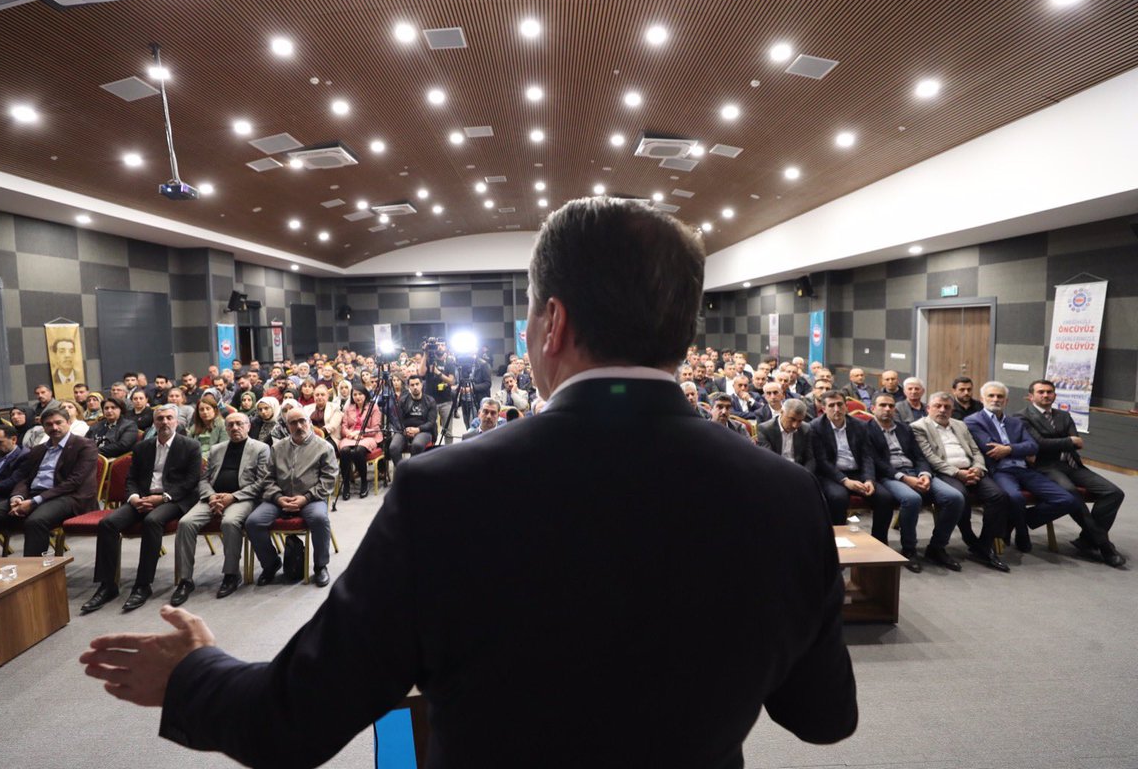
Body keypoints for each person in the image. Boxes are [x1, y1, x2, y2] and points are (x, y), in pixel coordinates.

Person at [81, 197, 856, 768]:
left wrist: (196, 674)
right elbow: (824, 718)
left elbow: (295, 723)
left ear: (550, 324)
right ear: (684, 330)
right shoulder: (783, 494)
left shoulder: (444, 491)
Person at [82, 405, 201, 613]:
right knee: (108, 523)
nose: (164, 422)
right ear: (154, 423)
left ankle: (142, 585)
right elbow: (132, 479)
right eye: (160, 419)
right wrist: (134, 497)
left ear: (177, 422)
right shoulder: (142, 447)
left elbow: (191, 482)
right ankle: (107, 585)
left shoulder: (190, 446)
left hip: (173, 500)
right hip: (142, 498)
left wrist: (162, 498)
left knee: (152, 521)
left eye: (169, 418)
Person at [965, 382, 1089, 555]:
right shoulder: (973, 421)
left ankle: (1020, 523)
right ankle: (1022, 534)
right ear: (982, 399)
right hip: (1000, 471)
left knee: (1067, 500)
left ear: (1006, 400)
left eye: (1000, 396)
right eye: (991, 396)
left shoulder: (1015, 422)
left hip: (1025, 470)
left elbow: (1033, 447)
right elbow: (990, 449)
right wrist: (1018, 448)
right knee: (1015, 497)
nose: (995, 399)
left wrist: (1008, 449)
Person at [0, 408, 97, 558]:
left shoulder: (84, 445)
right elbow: (25, 478)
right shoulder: (38, 450)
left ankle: (35, 575)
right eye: (49, 424)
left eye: (59, 423)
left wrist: (34, 502)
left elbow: (74, 482)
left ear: (69, 423)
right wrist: (17, 497)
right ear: (43, 427)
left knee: (35, 522)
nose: (54, 428)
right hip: (31, 495)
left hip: (68, 497)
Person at [1019, 379, 1125, 567]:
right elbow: (1038, 444)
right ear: (1031, 396)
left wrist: (1059, 441)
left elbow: (1077, 442)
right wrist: (1068, 441)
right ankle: (1104, 545)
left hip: (1072, 465)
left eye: (1049, 392)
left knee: (1114, 492)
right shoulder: (1022, 417)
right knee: (1072, 494)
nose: (1045, 395)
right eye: (1041, 392)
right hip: (1045, 467)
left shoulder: (1063, 415)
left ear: (1055, 395)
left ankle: (1087, 539)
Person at [170, 412, 271, 605]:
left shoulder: (260, 448)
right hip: (213, 497)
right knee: (185, 523)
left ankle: (231, 574)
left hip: (242, 498)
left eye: (239, 424)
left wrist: (233, 497)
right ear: (225, 428)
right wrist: (210, 496)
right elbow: (204, 479)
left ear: (248, 426)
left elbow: (262, 482)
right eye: (230, 425)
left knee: (230, 522)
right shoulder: (217, 449)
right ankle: (185, 580)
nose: (235, 428)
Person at [911, 392, 1010, 572]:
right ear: (928, 408)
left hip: (972, 469)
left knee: (998, 496)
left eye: (947, 407)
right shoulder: (919, 427)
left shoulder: (960, 425)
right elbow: (931, 458)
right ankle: (960, 540)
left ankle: (984, 546)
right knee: (959, 497)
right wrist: (958, 473)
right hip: (945, 472)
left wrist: (978, 468)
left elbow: (976, 451)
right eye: (937, 406)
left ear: (952, 409)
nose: (942, 410)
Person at [866, 394, 966, 572]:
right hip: (890, 476)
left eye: (891, 406)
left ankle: (937, 547)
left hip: (915, 472)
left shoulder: (905, 429)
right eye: (883, 405)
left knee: (955, 497)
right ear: (873, 408)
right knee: (912, 499)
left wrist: (925, 474)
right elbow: (876, 462)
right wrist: (904, 478)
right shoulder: (866, 430)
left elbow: (919, 456)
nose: (888, 409)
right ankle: (909, 549)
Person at [245, 405, 338, 587]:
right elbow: (268, 478)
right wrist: (278, 497)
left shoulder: (324, 447)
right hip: (280, 499)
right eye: (293, 423)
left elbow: (328, 480)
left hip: (310, 498)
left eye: (302, 421)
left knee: (320, 519)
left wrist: (306, 498)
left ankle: (320, 566)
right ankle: (271, 564)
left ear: (309, 422)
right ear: (287, 426)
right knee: (253, 522)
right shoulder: (278, 448)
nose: (299, 426)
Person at [810, 390, 892, 526]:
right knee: (838, 498)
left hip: (858, 473)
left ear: (846, 406)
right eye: (831, 406)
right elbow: (822, 461)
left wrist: (869, 479)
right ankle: (838, 541)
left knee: (885, 498)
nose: (836, 409)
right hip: (832, 475)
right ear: (823, 409)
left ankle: (880, 541)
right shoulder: (816, 427)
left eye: (840, 404)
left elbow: (867, 456)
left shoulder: (860, 425)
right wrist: (845, 480)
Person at [336, 386, 382, 500]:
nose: (357, 397)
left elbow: (375, 428)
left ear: (365, 394)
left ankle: (364, 482)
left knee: (358, 450)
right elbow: (344, 426)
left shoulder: (373, 407)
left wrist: (360, 433)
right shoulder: (349, 408)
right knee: (344, 451)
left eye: (360, 394)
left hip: (368, 436)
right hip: (350, 436)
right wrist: (349, 433)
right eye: (355, 395)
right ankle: (346, 484)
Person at [388, 376, 436, 469]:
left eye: (417, 384)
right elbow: (397, 420)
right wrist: (404, 430)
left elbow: (431, 423)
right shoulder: (403, 400)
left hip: (424, 430)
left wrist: (418, 429)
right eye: (412, 385)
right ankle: (402, 473)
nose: (415, 387)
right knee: (393, 448)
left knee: (417, 445)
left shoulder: (430, 401)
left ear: (421, 385)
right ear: (408, 387)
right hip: (404, 430)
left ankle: (411, 471)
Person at [756, 398, 814, 472]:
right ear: (781, 412)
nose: (795, 425)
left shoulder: (805, 429)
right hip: (775, 470)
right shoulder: (765, 429)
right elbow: (768, 458)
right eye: (792, 419)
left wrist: (806, 475)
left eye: (800, 421)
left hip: (798, 471)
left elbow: (810, 458)